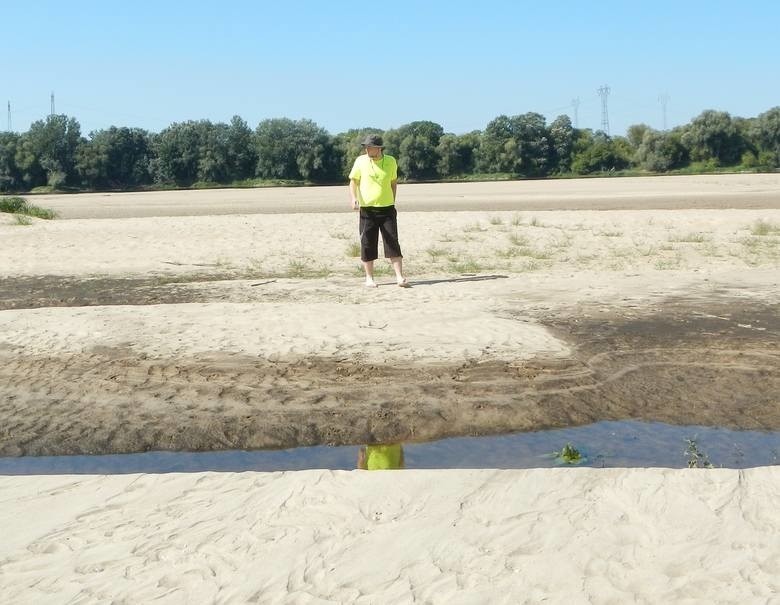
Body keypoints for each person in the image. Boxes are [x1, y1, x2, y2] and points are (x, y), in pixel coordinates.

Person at [348, 134, 409, 288]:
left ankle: (399, 277)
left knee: (392, 241)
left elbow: (393, 182)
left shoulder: (391, 161)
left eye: (370, 146)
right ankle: (369, 278)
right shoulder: (360, 161)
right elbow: (353, 181)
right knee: (367, 243)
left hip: (387, 209)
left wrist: (392, 200)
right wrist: (354, 198)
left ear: (379, 148)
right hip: (367, 210)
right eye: (366, 146)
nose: (367, 149)